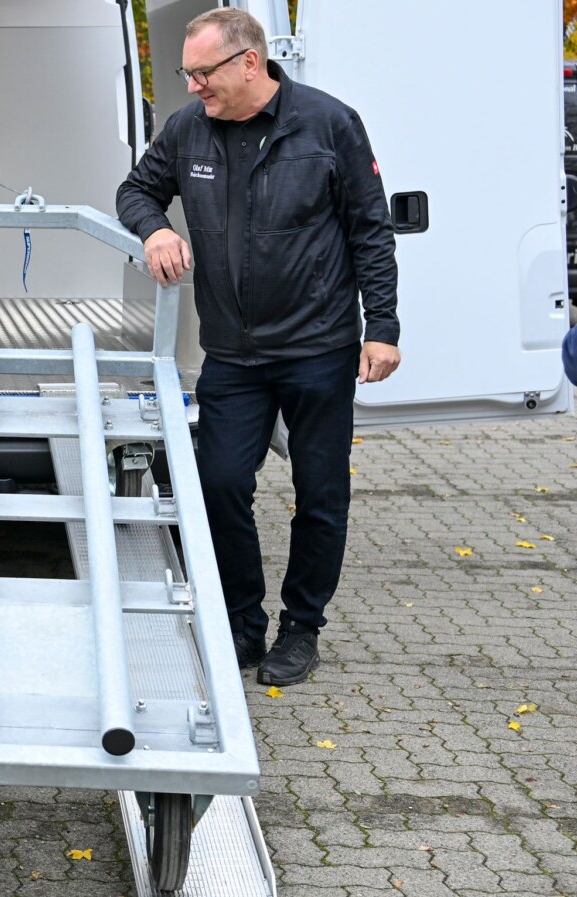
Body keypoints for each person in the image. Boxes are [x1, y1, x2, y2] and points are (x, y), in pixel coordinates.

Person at [116, 8, 400, 686]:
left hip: (319, 347)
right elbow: (136, 190)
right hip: (235, 355)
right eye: (187, 74)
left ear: (250, 62)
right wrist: (154, 228)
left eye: (201, 73)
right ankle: (242, 623)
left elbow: (371, 232)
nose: (191, 87)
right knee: (216, 484)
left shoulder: (330, 124)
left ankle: (301, 627)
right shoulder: (188, 131)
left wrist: (382, 327)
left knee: (321, 491)